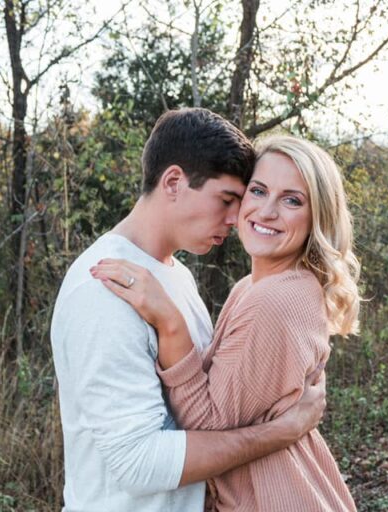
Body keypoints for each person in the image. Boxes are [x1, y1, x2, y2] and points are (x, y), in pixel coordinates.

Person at [50, 110, 327, 512]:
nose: (236, 219)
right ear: (175, 182)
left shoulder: (174, 275)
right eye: (227, 200)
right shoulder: (103, 288)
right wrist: (282, 431)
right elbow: (137, 462)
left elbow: (212, 408)